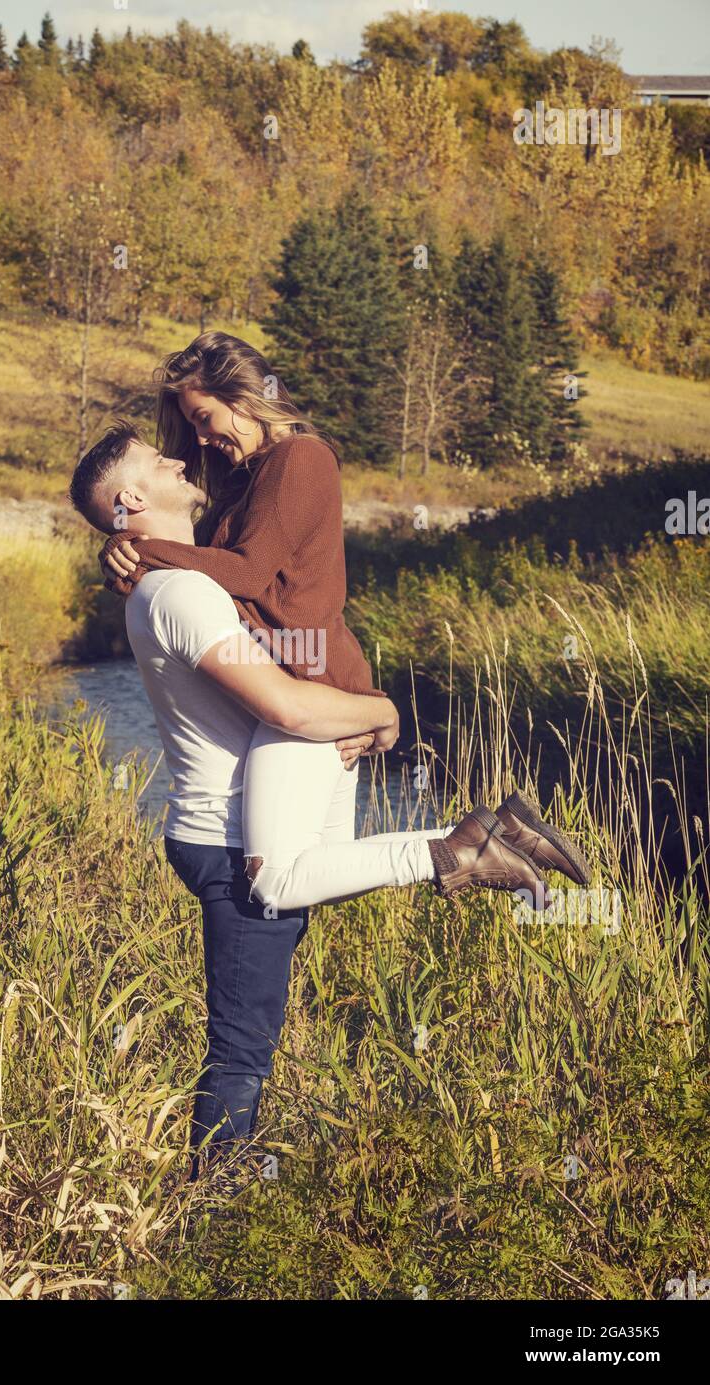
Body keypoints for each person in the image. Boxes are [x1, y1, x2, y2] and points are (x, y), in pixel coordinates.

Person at [69, 424, 589, 1185]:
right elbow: (288, 707)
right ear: (132, 500)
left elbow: (269, 597)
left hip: (263, 810)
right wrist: (380, 713)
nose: (180, 458)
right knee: (241, 1042)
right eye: (158, 459)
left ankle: (477, 839)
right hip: (227, 834)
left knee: (258, 1016)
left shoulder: (187, 577)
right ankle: (217, 1200)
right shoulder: (178, 592)